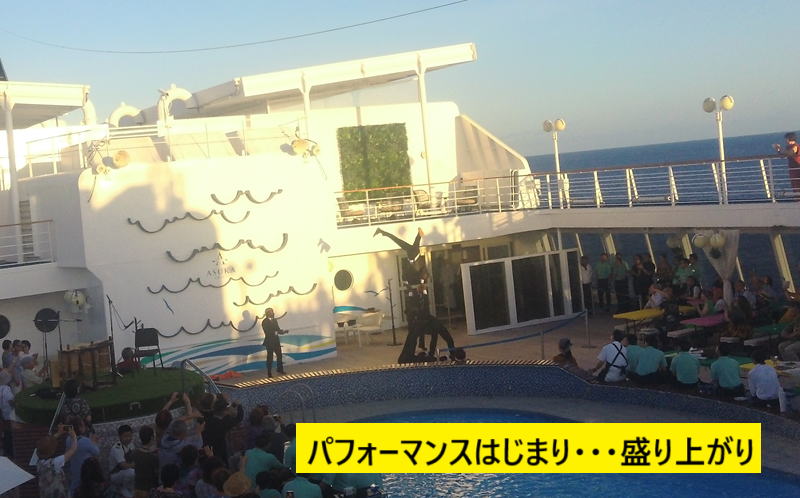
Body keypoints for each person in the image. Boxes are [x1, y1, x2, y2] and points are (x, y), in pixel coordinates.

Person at [36, 425, 78, 498]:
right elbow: (72, 450)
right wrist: (74, 437)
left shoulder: (39, 463)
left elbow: (46, 446)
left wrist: (59, 433)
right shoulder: (55, 462)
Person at [203, 393, 244, 465]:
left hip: (209, 448)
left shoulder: (208, 418)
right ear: (225, 411)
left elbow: (220, 409)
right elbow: (239, 418)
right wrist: (239, 405)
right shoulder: (224, 423)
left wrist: (232, 405)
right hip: (219, 449)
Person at [65, 416, 100, 495]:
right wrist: (94, 442)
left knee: (74, 488)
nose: (85, 427)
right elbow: (97, 452)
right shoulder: (85, 441)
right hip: (85, 471)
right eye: (83, 425)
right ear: (80, 428)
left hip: (74, 471)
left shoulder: (68, 439)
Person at [108, 424, 136, 497]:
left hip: (125, 473)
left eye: (130, 436)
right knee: (131, 472)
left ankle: (128, 488)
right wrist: (135, 464)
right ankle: (119, 487)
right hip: (116, 474)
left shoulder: (131, 444)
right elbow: (123, 466)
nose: (128, 438)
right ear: (120, 436)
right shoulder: (117, 448)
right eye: (125, 436)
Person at [132, 425, 160, 498]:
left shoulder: (134, 453)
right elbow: (157, 473)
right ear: (152, 438)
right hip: (149, 490)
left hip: (136, 489)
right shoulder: (153, 457)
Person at [262, 308, 288, 378]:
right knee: (270, 357)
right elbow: (268, 332)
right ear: (267, 313)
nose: (273, 313)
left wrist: (283, 332)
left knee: (279, 355)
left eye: (272, 312)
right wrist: (277, 332)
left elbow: (277, 329)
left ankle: (280, 369)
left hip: (276, 341)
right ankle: (269, 372)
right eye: (271, 312)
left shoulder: (275, 320)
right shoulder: (264, 322)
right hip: (269, 342)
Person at [773, 132, 800, 196]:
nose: (786, 141)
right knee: (795, 185)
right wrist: (778, 150)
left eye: (786, 139)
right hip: (792, 168)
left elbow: (789, 153)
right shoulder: (788, 147)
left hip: (797, 167)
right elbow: (783, 155)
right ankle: (797, 199)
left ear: (789, 139)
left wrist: (780, 149)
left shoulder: (795, 146)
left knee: (797, 184)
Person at [0, 369, 14, 457]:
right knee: (9, 433)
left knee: (5, 432)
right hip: (9, 414)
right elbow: (10, 400)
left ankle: (6, 449)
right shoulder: (6, 388)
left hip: (3, 414)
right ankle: (9, 451)